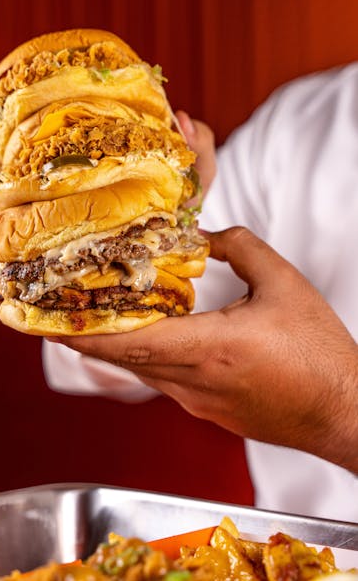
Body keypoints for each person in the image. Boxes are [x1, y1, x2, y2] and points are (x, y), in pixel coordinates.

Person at [42, 63, 358, 522]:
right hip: (298, 565)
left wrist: (339, 411)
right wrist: (145, 233)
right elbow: (133, 336)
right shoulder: (300, 124)